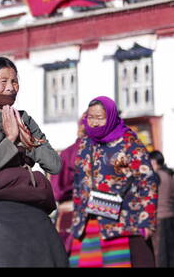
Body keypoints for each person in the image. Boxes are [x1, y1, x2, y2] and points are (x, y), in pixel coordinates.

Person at [0, 56, 66, 267]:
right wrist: (10, 139)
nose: (10, 87)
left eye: (14, 81)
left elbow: (55, 165)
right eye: (3, 81)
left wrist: (29, 143)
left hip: (26, 200)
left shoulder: (24, 118)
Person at [69, 96, 159, 268]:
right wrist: (77, 220)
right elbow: (78, 184)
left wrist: (147, 221)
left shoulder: (128, 142)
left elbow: (147, 182)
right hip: (89, 223)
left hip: (122, 223)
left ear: (110, 117)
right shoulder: (85, 144)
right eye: (91, 117)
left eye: (99, 118)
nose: (94, 123)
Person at [50, 113, 86, 253]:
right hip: (96, 213)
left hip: (68, 213)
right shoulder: (102, 152)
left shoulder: (66, 154)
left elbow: (56, 191)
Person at [149, 150, 174, 267]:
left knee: (160, 253)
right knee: (170, 250)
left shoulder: (155, 176)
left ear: (154, 161)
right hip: (170, 215)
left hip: (159, 217)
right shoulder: (169, 175)